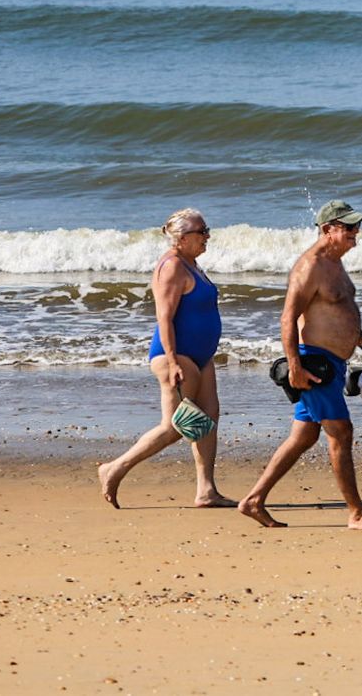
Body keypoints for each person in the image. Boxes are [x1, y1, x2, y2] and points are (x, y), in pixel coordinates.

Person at [239, 199, 362, 531]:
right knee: (341, 431)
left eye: (357, 227)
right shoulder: (310, 266)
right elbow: (287, 317)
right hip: (314, 363)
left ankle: (253, 501)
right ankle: (356, 513)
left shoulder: (336, 264)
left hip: (335, 363)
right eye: (349, 227)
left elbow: (342, 314)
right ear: (328, 229)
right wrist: (294, 366)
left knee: (304, 436)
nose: (356, 233)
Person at [98, 208, 234, 509]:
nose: (207, 236)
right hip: (177, 355)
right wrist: (172, 361)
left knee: (207, 421)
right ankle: (115, 468)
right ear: (183, 238)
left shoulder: (192, 264)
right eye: (202, 231)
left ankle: (206, 491)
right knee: (175, 426)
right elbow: (164, 318)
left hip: (201, 357)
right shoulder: (171, 267)